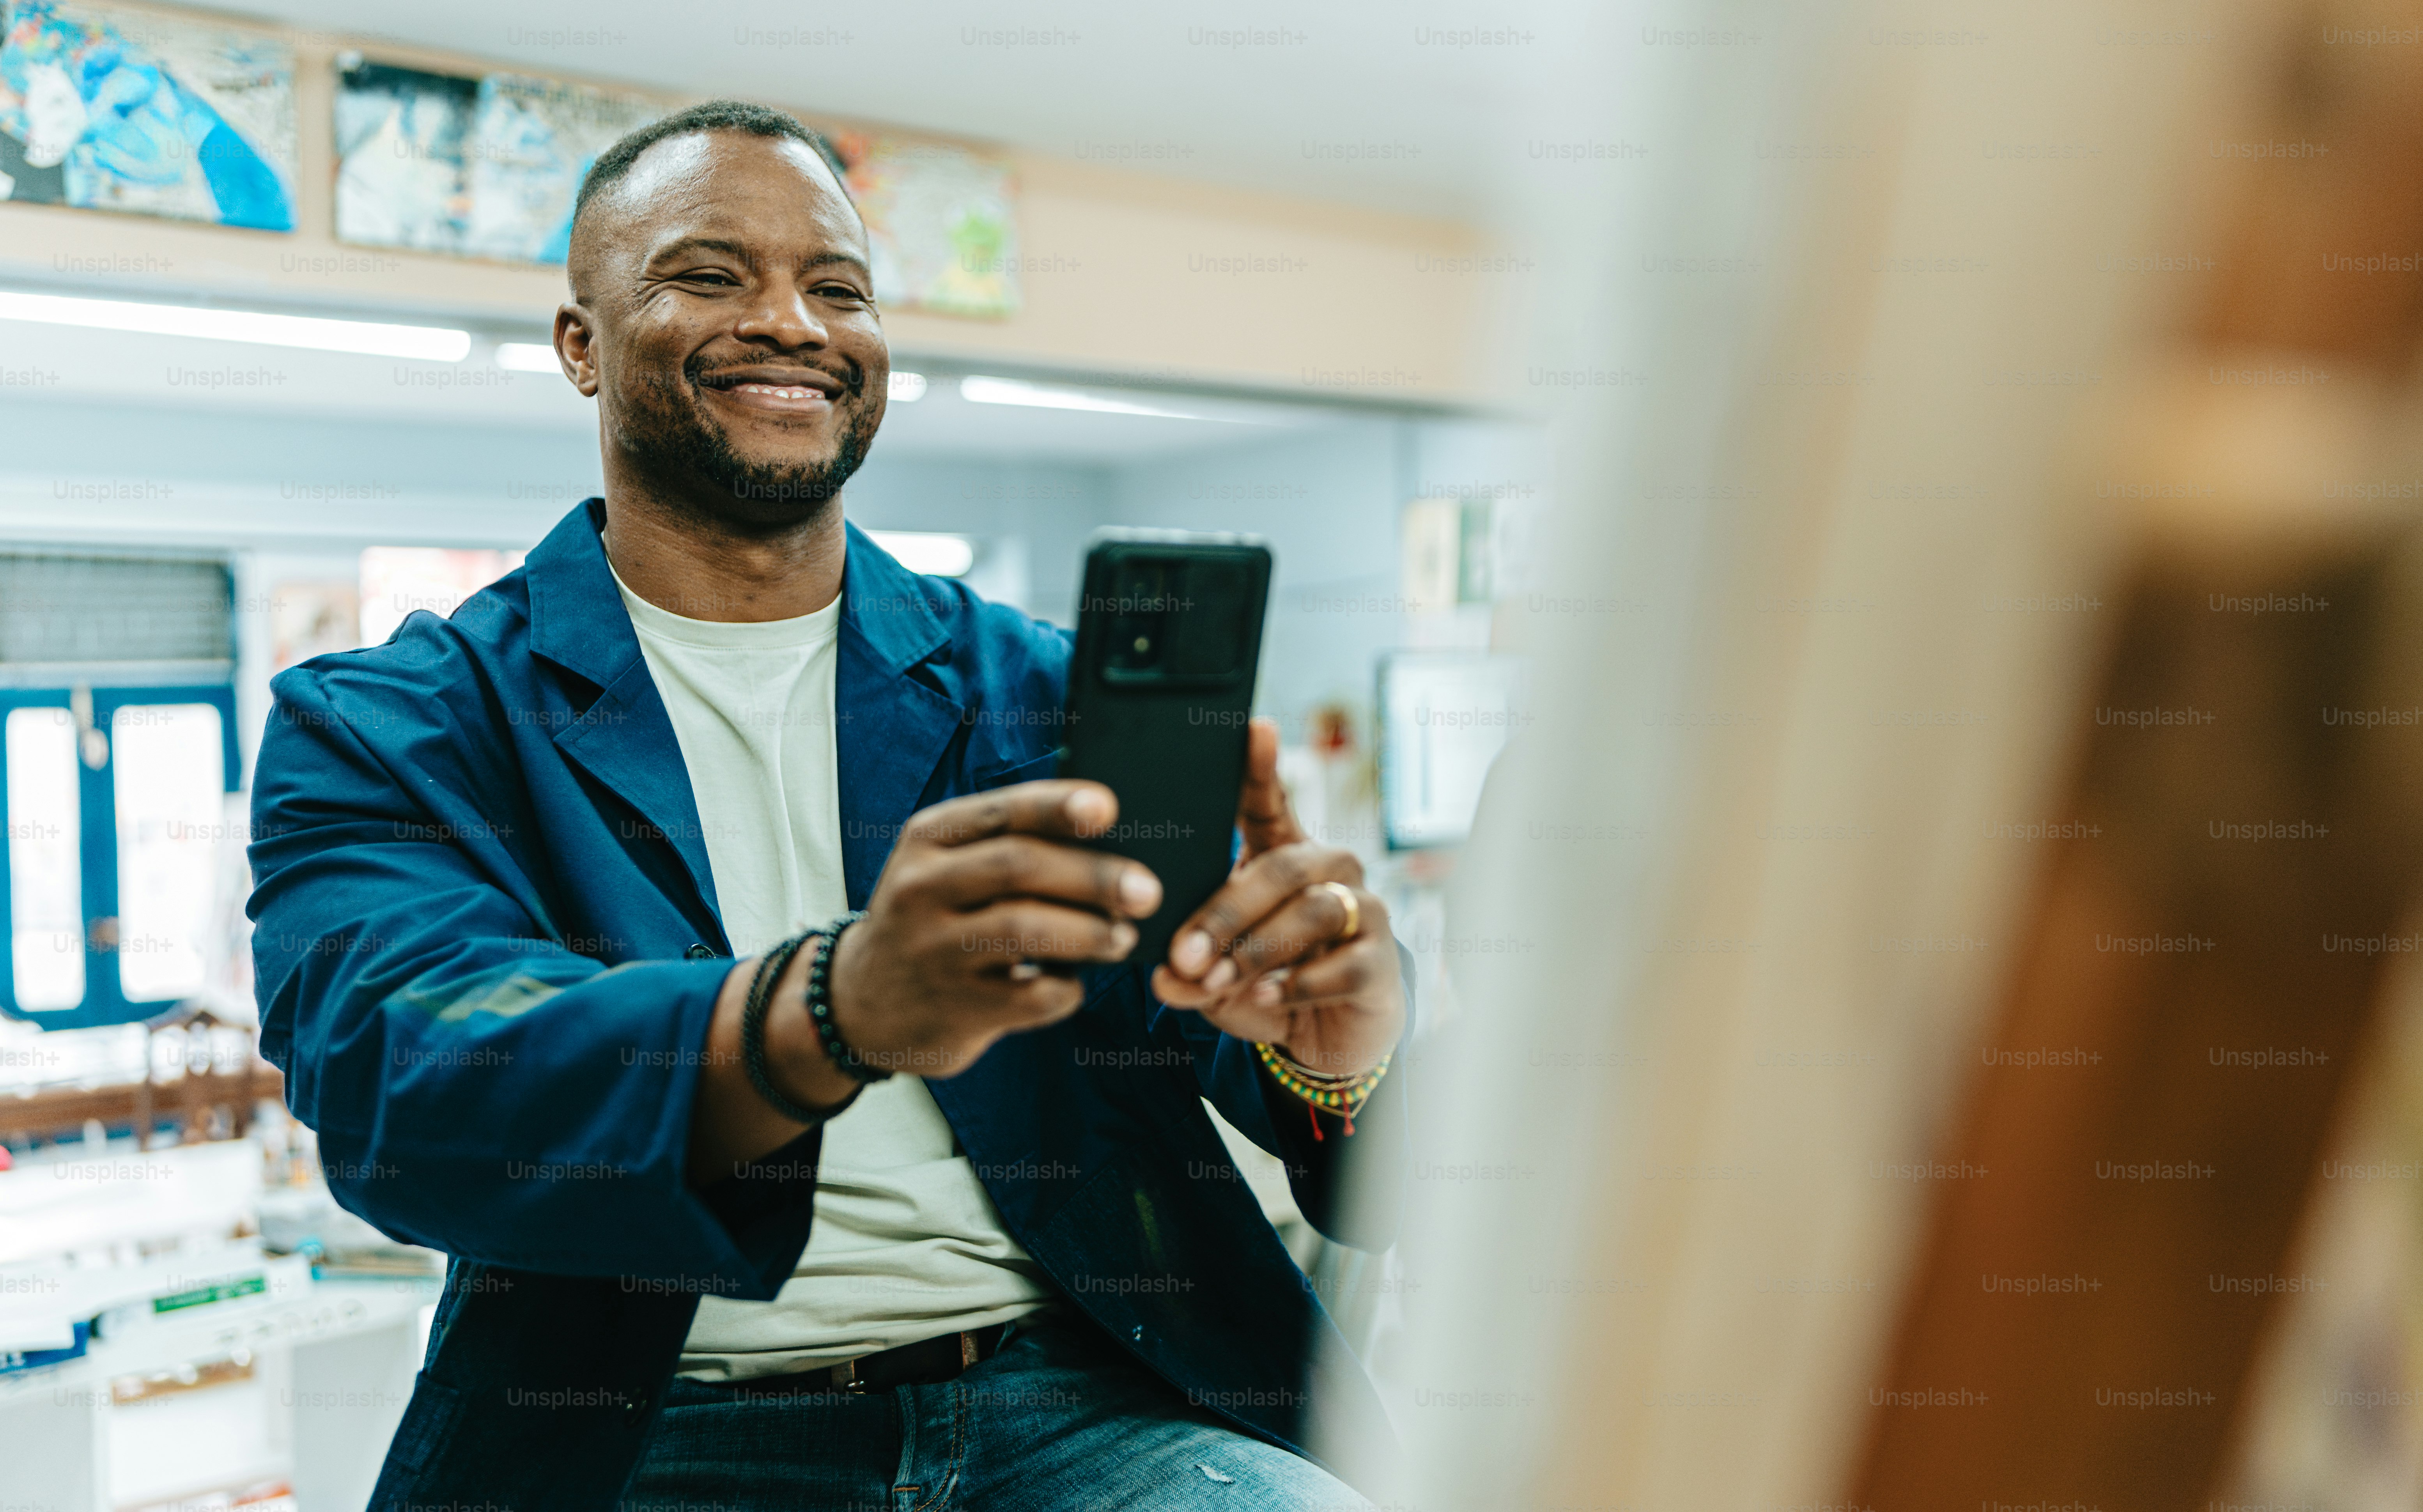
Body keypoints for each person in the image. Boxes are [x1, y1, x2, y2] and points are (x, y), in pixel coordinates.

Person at [247, 100, 1409, 1512]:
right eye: (710, 274)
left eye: (839, 287)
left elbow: (1302, 1099)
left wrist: (1329, 1058)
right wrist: (832, 1007)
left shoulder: (1038, 696)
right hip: (652, 1428)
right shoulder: (401, 720)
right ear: (579, 344)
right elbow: (402, 1081)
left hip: (1085, 1407)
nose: (793, 321)